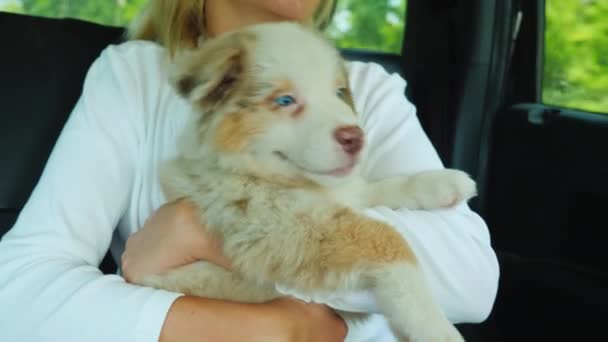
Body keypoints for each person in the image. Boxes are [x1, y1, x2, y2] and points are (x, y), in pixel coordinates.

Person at [0, 0, 499, 341]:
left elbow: (471, 280)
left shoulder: (369, 90)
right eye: (285, 100)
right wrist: (283, 330)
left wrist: (204, 231)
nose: (335, 113)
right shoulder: (136, 78)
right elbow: (18, 294)